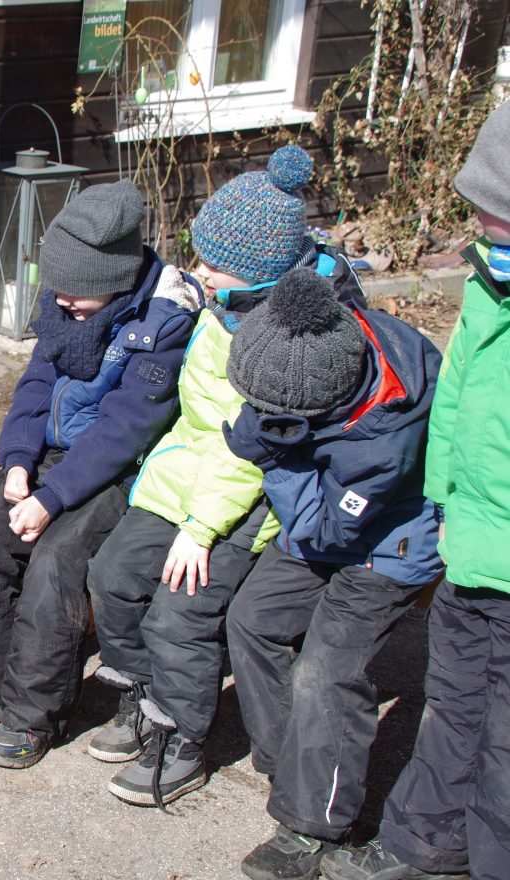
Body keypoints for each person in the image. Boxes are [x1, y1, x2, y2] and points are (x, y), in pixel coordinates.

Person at [84, 144, 361, 807]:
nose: (196, 270)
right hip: (189, 469)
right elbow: (198, 418)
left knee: (179, 614)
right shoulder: (223, 304)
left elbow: (252, 446)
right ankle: (146, 695)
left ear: (259, 272)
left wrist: (200, 529)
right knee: (113, 575)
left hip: (250, 494)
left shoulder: (285, 337)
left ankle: (182, 738)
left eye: (212, 263)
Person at [0, 180, 201, 769]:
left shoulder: (162, 325)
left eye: (75, 292)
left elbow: (125, 430)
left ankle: (32, 715)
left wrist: (52, 498)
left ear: (115, 280)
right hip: (50, 459)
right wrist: (17, 461)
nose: (61, 301)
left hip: (115, 472)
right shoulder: (66, 307)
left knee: (56, 562)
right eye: (56, 289)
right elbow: (36, 385)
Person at [320, 100, 510, 880]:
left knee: (505, 747)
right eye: (480, 205)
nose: (481, 223)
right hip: (469, 541)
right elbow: (457, 404)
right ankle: (420, 846)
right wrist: (441, 503)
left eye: (498, 212)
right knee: (453, 707)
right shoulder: (489, 284)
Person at [219, 268, 443, 880]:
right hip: (321, 508)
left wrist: (273, 457)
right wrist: (273, 427)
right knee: (253, 618)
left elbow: (327, 531)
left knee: (326, 672)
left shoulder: (381, 443)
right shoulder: (324, 343)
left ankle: (311, 824)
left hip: (387, 544)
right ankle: (293, 763)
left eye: (273, 412)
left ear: (317, 408)